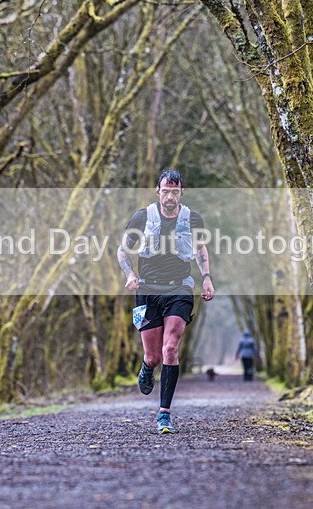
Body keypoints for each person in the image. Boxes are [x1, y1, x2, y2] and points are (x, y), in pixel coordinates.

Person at [117, 169, 214, 434]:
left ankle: (164, 414)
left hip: (180, 289)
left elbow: (201, 248)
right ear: (158, 192)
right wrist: (130, 274)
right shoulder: (142, 217)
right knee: (152, 356)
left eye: (175, 191)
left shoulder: (193, 219)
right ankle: (147, 369)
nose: (170, 196)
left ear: (181, 192)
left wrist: (206, 277)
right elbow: (123, 250)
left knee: (170, 349)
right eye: (165, 191)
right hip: (147, 291)